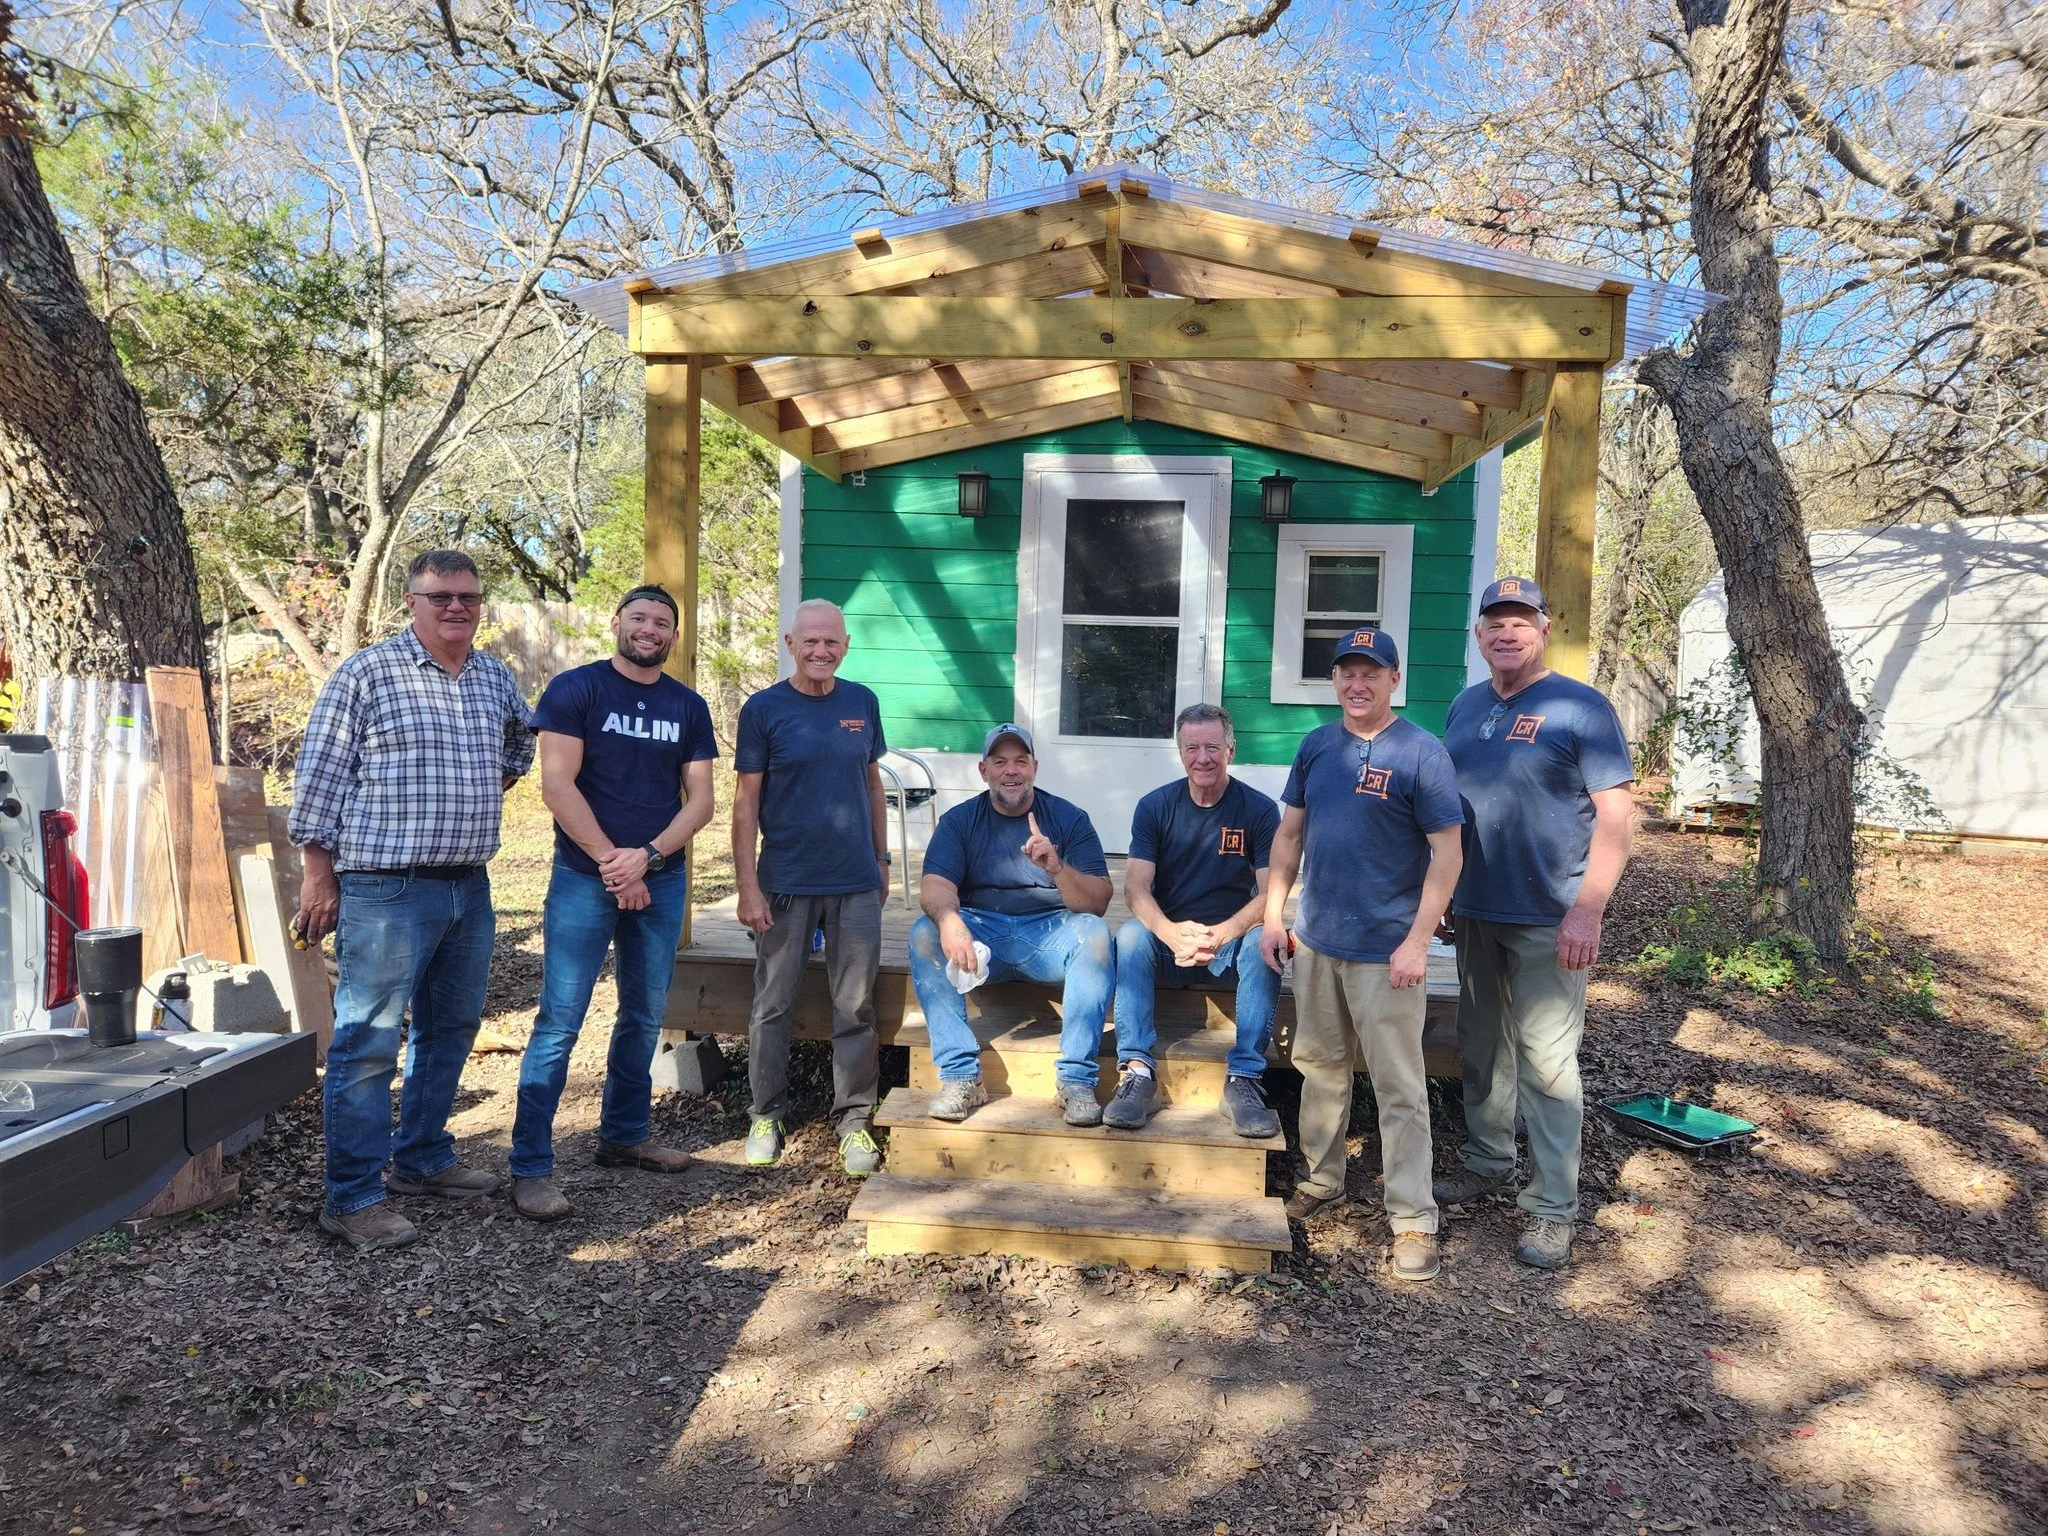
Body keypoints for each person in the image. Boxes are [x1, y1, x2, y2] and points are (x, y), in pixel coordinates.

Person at [290, 549, 534, 1254]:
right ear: (411, 601)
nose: (456, 607)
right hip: (385, 887)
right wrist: (318, 874)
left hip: (468, 884)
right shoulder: (367, 673)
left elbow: (519, 744)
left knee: (451, 1027)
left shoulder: (492, 677)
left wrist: (475, 793)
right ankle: (353, 1196)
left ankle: (423, 1159)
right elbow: (320, 778)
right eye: (441, 597)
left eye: (468, 596)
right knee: (367, 1044)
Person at [1435, 577, 1636, 1271]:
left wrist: (1589, 909)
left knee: (1549, 1062)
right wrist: (1444, 896)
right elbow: (1447, 813)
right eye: (1495, 621)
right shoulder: (1464, 707)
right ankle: (1488, 1160)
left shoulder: (1582, 708)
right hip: (1477, 909)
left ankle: (1552, 1209)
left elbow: (1616, 815)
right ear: (1479, 635)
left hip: (1551, 915)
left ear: (1545, 629)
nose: (1508, 632)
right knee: (1482, 1044)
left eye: (1522, 621)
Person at [507, 586, 718, 1221]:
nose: (650, 629)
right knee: (560, 1019)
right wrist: (613, 863)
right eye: (639, 618)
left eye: (662, 622)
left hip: (660, 877)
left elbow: (702, 799)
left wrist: (647, 857)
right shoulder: (577, 690)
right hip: (584, 877)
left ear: (673, 637)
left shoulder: (688, 705)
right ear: (616, 623)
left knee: (643, 1014)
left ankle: (624, 1136)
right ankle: (530, 1167)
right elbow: (556, 784)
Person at [1259, 627, 1463, 1283]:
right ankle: (1324, 1180)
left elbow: (1448, 853)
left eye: (1370, 672)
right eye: (1347, 672)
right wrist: (1273, 915)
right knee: (1319, 1067)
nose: (1357, 683)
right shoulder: (1317, 746)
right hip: (1318, 941)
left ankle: (1413, 1218)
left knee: (1401, 1087)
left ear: (1393, 680)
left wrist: (1416, 940)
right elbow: (1289, 835)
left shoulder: (1422, 753)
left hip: (1387, 952)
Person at [731, 599, 891, 1178]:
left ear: (845, 645)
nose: (822, 651)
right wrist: (747, 885)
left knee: (856, 1005)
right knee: (772, 1003)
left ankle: (853, 1121)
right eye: (811, 642)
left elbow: (871, 784)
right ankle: (766, 1114)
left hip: (853, 883)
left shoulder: (862, 702)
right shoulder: (764, 709)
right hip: (785, 884)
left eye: (833, 642)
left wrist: (882, 858)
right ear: (790, 642)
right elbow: (746, 804)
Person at [907, 724, 1114, 1125]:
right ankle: (961, 1077)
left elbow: (1097, 904)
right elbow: (934, 885)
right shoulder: (959, 821)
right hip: (983, 936)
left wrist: (1055, 866)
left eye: (1020, 761)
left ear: (1035, 767)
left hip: (1050, 931)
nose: (1011, 770)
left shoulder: (1069, 818)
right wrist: (950, 920)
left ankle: (1076, 1080)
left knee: (1096, 936)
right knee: (924, 932)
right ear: (983, 770)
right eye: (1000, 762)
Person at [1108, 703, 1282, 1137]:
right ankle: (1136, 1072)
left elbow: (1271, 892)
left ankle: (1244, 1078)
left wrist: (1223, 933)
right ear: (1179, 752)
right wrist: (1168, 931)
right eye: (1192, 747)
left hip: (1230, 940)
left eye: (1212, 747)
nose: (1202, 757)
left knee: (1267, 941)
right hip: (1171, 941)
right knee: (1131, 937)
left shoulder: (1258, 811)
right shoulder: (1155, 807)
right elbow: (1134, 889)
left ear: (1231, 749)